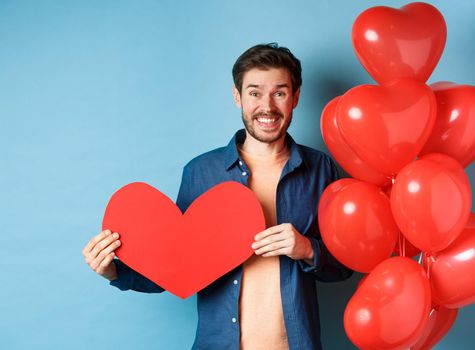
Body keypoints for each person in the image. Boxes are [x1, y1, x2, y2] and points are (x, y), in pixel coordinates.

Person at [82, 43, 353, 350]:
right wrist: (114, 271)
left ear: (296, 96)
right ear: (238, 96)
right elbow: (173, 268)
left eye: (279, 92)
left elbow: (344, 266)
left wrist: (307, 248)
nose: (267, 106)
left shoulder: (321, 169)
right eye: (254, 92)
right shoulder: (200, 172)